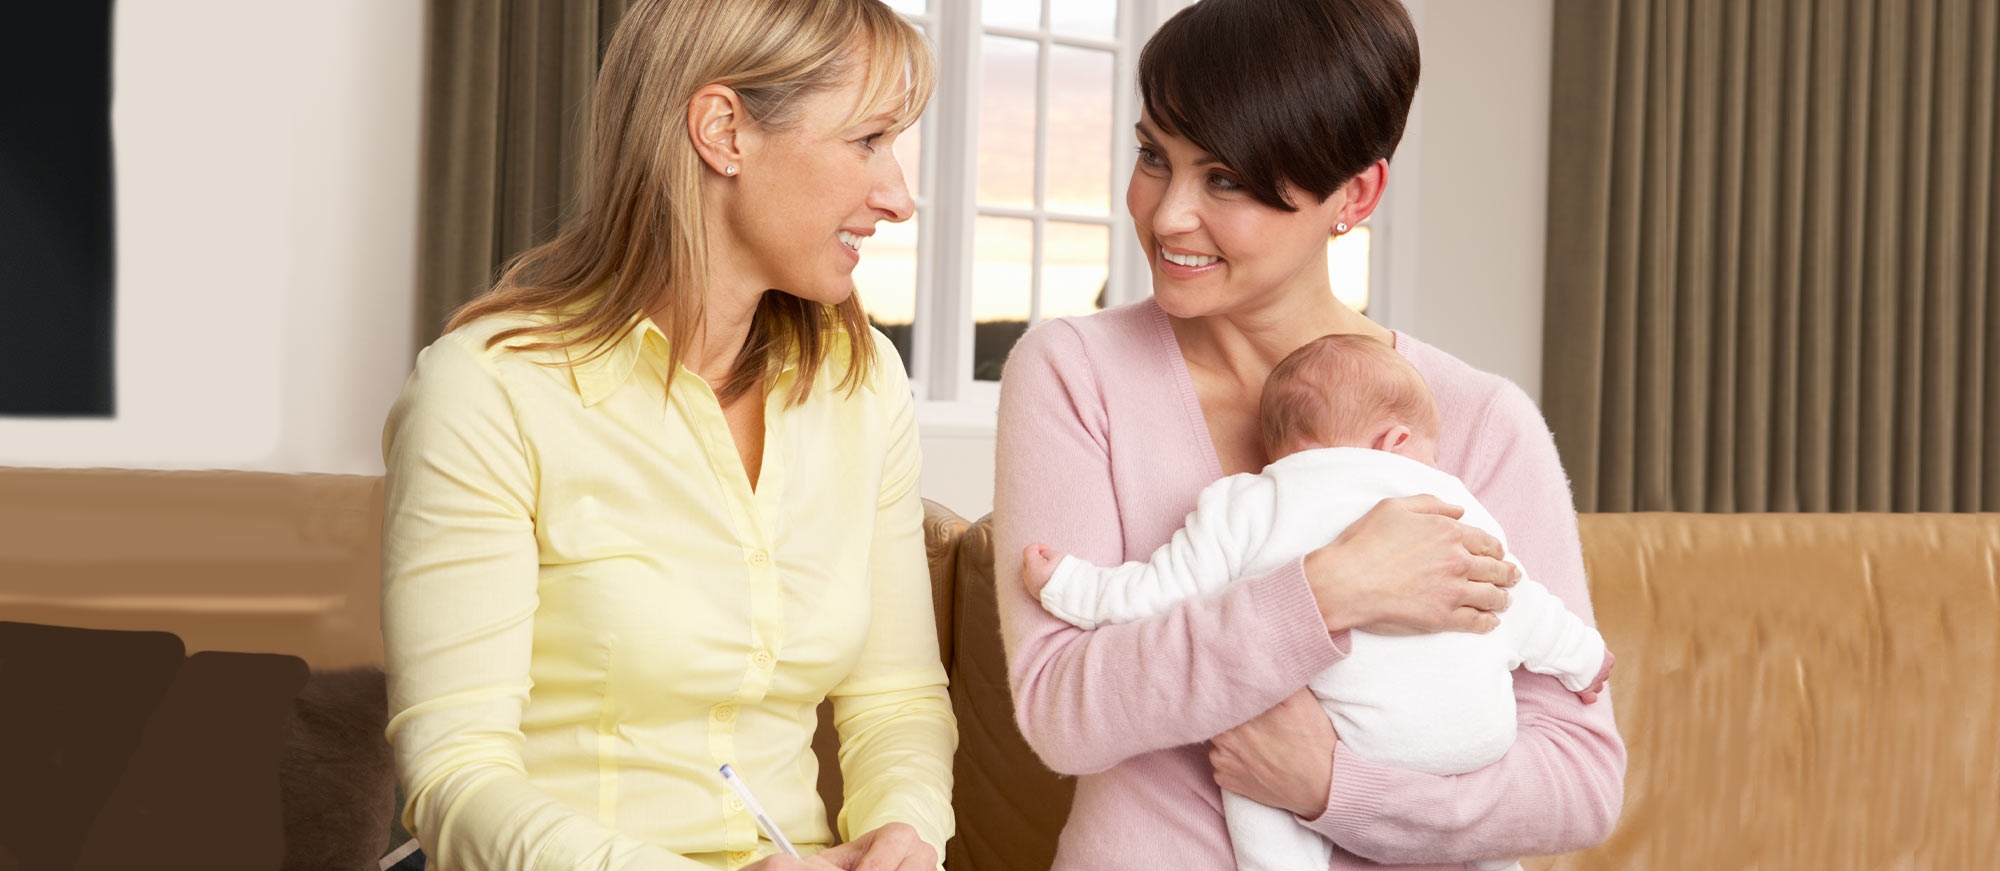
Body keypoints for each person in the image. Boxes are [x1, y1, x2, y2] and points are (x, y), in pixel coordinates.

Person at [992, 0, 1628, 868]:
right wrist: (1326, 591)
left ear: (1353, 195)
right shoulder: (1076, 373)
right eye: (1153, 157)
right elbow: (1064, 710)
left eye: (1225, 179)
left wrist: (1336, 787)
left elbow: (1581, 777)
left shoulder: (1478, 422)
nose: (1168, 214)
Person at [379, 2, 954, 869]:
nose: (898, 197)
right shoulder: (488, 388)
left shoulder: (862, 382)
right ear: (724, 129)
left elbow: (896, 698)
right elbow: (457, 774)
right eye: (868, 140)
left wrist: (906, 833)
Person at [1020, 333, 1615, 871]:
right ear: (1398, 440)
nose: (1176, 217)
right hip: (1477, 738)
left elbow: (1149, 593)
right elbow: (1516, 596)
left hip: (1353, 733)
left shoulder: (1250, 501)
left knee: (1256, 793)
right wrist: (1583, 657)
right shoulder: (1445, 497)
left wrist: (1068, 583)